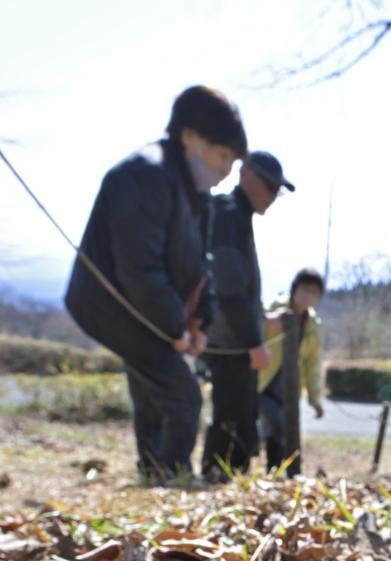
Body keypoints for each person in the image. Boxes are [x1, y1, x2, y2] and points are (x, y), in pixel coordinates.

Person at [65, 86, 247, 482]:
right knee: (182, 393)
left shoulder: (195, 193)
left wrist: (200, 319)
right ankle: (172, 479)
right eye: (222, 157)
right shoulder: (144, 176)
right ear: (190, 137)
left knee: (154, 389)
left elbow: (201, 266)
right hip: (112, 302)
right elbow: (139, 270)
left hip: (149, 307)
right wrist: (175, 327)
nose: (225, 171)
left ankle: (153, 472)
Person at [201, 151, 294, 481]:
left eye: (276, 191)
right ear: (246, 176)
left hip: (237, 337)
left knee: (240, 414)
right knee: (233, 415)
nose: (272, 196)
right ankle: (218, 476)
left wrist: (262, 321)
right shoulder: (227, 214)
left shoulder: (239, 218)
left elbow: (241, 290)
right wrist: (254, 340)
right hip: (229, 343)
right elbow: (228, 287)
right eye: (270, 187)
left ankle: (227, 476)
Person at [258, 268, 326, 473]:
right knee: (276, 424)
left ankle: (278, 471)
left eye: (314, 292)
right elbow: (257, 328)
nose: (308, 296)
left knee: (283, 429)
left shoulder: (313, 326)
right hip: (262, 381)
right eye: (305, 289)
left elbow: (312, 364)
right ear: (295, 289)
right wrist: (269, 321)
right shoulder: (274, 309)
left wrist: (315, 398)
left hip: (289, 387)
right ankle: (275, 469)